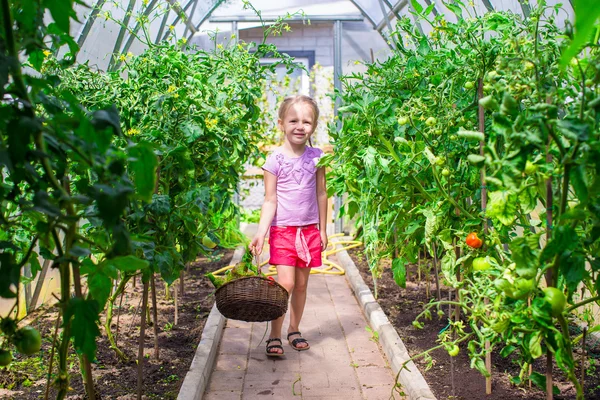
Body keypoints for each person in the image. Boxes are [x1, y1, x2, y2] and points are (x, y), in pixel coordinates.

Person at [250, 95, 328, 357]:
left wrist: (323, 229)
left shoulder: (317, 157)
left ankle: (294, 329)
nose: (300, 126)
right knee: (286, 283)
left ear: (314, 127)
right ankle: (274, 335)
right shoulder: (274, 160)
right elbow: (270, 200)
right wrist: (261, 233)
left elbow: (321, 194)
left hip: (308, 231)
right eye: (294, 120)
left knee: (303, 284)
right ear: (281, 124)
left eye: (307, 121)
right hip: (283, 231)